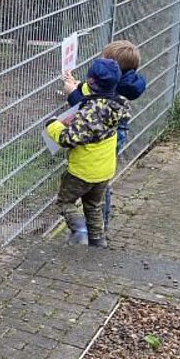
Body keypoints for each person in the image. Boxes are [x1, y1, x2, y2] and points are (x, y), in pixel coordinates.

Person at [63, 40, 146, 235]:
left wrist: (73, 94)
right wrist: (80, 86)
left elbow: (91, 111)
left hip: (102, 139)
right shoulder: (125, 85)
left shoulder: (114, 92)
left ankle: (91, 226)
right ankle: (99, 227)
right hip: (115, 135)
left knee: (96, 183)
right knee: (102, 180)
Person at [46, 58, 129, 249]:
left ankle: (80, 230)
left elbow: (69, 138)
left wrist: (53, 125)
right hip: (105, 170)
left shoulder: (90, 112)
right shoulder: (119, 104)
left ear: (91, 81)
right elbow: (93, 97)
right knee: (93, 205)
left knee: (65, 202)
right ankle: (98, 240)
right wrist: (75, 87)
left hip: (82, 170)